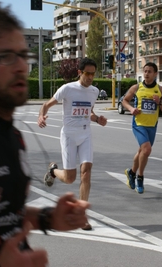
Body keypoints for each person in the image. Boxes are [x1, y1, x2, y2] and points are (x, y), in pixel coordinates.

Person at [0, 2, 90, 266]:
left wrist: (46, 218)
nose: (21, 67)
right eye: (5, 56)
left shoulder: (12, 134)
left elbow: (0, 213)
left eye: (24, 55)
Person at [38, 57, 107, 231]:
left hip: (85, 134)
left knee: (86, 173)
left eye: (93, 73)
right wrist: (41, 115)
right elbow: (47, 104)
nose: (90, 77)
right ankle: (53, 171)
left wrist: (97, 118)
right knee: (70, 178)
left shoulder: (94, 92)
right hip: (69, 135)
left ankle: (82, 216)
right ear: (79, 72)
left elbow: (88, 112)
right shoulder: (67, 89)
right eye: (87, 73)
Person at [122, 62, 162, 194]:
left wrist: (159, 102)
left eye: (149, 71)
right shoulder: (137, 88)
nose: (147, 74)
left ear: (155, 74)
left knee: (142, 152)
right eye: (145, 71)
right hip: (139, 124)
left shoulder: (160, 90)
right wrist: (131, 109)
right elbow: (124, 101)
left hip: (152, 126)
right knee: (147, 150)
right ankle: (140, 177)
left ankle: (131, 172)